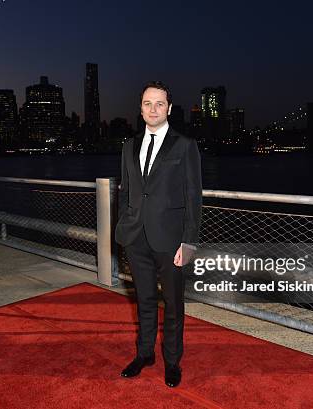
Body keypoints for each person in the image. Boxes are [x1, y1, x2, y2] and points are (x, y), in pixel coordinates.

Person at [115, 81, 202, 388]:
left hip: (171, 240)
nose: (153, 109)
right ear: (140, 108)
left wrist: (189, 242)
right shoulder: (128, 146)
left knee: (174, 304)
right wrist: (124, 230)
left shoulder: (184, 145)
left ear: (169, 108)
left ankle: (172, 361)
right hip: (136, 237)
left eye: (159, 104)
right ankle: (144, 354)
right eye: (147, 104)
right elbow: (126, 193)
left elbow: (194, 197)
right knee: (145, 300)